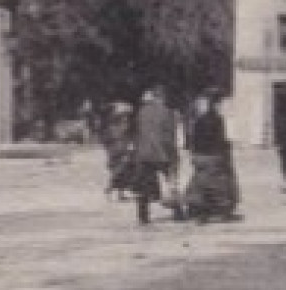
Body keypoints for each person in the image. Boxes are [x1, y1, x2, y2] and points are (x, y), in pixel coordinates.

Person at [185, 93, 242, 223]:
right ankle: (221, 211)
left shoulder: (198, 120)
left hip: (198, 155)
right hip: (212, 155)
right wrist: (225, 151)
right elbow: (219, 139)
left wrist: (194, 154)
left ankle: (200, 212)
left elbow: (192, 139)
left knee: (200, 183)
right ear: (216, 104)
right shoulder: (217, 119)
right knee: (217, 184)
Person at [134, 86, 183, 225]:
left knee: (144, 186)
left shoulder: (142, 112)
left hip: (144, 153)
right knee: (171, 182)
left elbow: (139, 132)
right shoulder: (169, 113)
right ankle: (178, 212)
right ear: (162, 97)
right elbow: (169, 136)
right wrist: (174, 155)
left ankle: (143, 216)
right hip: (163, 153)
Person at [103, 102, 137, 199]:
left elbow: (129, 138)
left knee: (122, 172)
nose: (126, 118)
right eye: (124, 116)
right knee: (119, 171)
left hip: (120, 150)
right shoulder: (116, 127)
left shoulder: (117, 126)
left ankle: (119, 193)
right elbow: (108, 140)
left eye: (127, 116)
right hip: (118, 151)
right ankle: (109, 189)